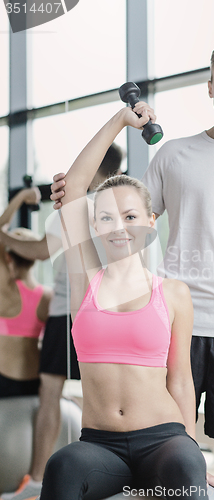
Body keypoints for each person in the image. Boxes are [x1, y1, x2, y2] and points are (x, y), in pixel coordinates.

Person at [51, 39, 214, 499]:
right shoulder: (173, 155)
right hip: (170, 324)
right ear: (209, 86)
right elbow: (124, 208)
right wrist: (79, 192)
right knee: (169, 458)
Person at [40, 104, 214, 500]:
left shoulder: (173, 293)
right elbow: (75, 189)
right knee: (62, 465)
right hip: (100, 445)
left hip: (163, 441)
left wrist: (193, 453)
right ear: (94, 225)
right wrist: (121, 120)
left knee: (184, 465)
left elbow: (180, 379)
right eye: (106, 217)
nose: (118, 227)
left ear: (149, 222)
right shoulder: (85, 280)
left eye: (130, 216)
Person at [0, 145, 124, 500]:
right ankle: (99, 477)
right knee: (99, 394)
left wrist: (4, 237)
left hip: (73, 313)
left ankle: (39, 480)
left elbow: (39, 251)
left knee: (51, 393)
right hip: (100, 311)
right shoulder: (117, 210)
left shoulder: (73, 209)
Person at [0, 188, 52, 398]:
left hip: (4, 377)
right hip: (35, 379)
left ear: (9, 258)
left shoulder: (6, 289)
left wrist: (21, 197)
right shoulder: (48, 296)